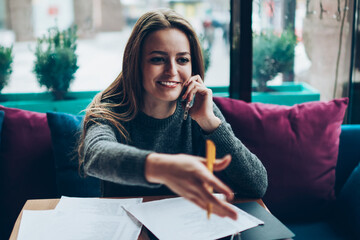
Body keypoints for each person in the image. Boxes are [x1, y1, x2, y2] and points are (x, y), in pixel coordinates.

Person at [78, 8, 267, 220]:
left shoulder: (199, 106)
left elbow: (257, 186)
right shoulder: (110, 108)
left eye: (182, 60)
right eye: (158, 59)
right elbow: (95, 156)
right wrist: (162, 168)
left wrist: (210, 123)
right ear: (136, 64)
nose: (172, 71)